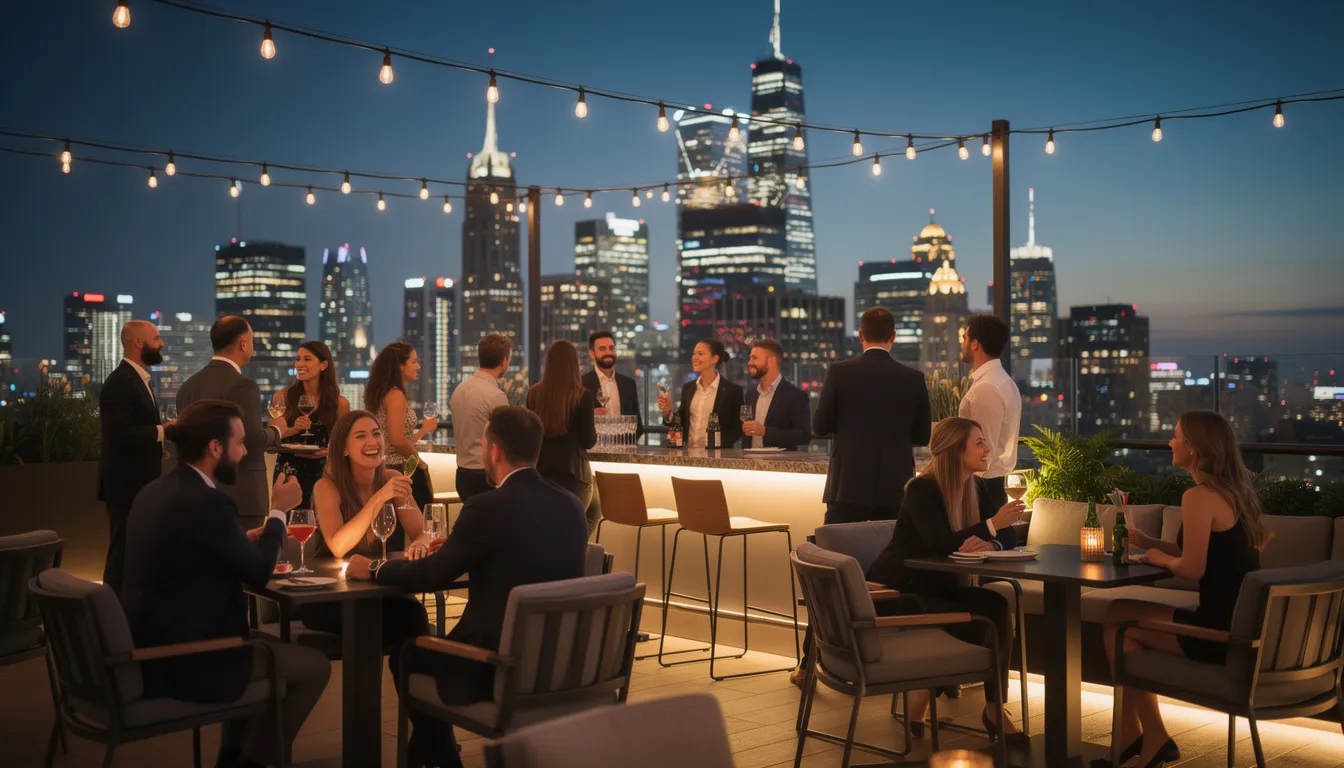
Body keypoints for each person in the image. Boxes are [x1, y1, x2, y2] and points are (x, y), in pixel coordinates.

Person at [348, 406, 587, 768]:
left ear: (493, 451)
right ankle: (434, 757)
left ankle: (440, 757)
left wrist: (377, 567)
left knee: (408, 655)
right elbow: (516, 556)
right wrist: (461, 549)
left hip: (495, 667)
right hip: (563, 664)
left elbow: (433, 577)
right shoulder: (572, 506)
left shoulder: (485, 507)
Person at [121, 400, 330, 768]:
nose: (246, 450)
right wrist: (279, 511)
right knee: (314, 667)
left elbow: (187, 554)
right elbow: (260, 572)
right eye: (239, 443)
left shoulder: (154, 492)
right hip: (190, 660)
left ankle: (231, 759)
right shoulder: (208, 501)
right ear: (214, 448)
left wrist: (238, 541)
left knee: (259, 646)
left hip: (150, 649)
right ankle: (251, 763)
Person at [1099, 411, 1268, 768]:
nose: (1170, 443)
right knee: (1122, 629)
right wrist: (1149, 542)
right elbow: (1208, 554)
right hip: (1241, 628)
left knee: (1117, 618)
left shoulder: (1199, 496)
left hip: (1219, 634)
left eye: (1176, 436)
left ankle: (1142, 736)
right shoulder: (1236, 494)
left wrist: (1160, 561)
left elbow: (1193, 568)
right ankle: (1141, 738)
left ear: (1196, 447)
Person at [865, 417, 1027, 741]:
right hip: (898, 591)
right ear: (956, 450)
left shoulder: (973, 487)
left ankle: (994, 708)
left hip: (938, 588)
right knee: (978, 625)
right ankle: (923, 689)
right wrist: (992, 526)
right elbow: (940, 542)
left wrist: (992, 540)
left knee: (996, 605)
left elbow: (1010, 533)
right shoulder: (921, 489)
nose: (987, 449)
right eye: (979, 442)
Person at [306, 411, 433, 693]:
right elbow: (338, 546)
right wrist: (380, 497)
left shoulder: (392, 478)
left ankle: (425, 722)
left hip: (377, 589)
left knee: (414, 615)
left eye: (376, 433)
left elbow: (420, 532)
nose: (372, 441)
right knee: (398, 620)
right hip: (330, 597)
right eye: (360, 436)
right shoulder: (327, 486)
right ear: (344, 448)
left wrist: (422, 543)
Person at [813, 307, 931, 523]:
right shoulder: (913, 378)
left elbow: (820, 427)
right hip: (895, 487)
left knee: (837, 552)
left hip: (846, 486)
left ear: (860, 335)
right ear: (893, 336)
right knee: (890, 553)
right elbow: (923, 436)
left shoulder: (840, 372)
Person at [176, 316, 288, 530]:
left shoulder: (188, 387)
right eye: (252, 341)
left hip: (196, 495)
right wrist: (277, 429)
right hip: (241, 497)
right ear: (243, 344)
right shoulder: (244, 386)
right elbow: (252, 443)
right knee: (242, 561)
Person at [97, 320, 169, 596]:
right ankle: (109, 616)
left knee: (134, 550)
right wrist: (163, 431)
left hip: (138, 484)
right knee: (122, 552)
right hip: (126, 486)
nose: (161, 343)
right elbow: (118, 433)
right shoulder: (120, 382)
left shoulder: (136, 379)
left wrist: (155, 445)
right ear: (139, 343)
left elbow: (130, 432)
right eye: (156, 338)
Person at [270, 340, 350, 509]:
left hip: (323, 472)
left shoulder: (339, 404)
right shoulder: (282, 397)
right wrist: (293, 429)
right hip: (289, 472)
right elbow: (272, 436)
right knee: (287, 528)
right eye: (298, 359)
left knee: (320, 525)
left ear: (323, 365)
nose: (300, 364)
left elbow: (345, 444)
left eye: (307, 359)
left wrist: (327, 452)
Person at [527, 340, 598, 527]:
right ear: (575, 365)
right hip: (574, 476)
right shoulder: (583, 396)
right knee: (593, 513)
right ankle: (578, 550)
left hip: (541, 475)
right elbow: (588, 440)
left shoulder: (534, 393)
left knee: (549, 525)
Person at [957, 315, 1021, 508]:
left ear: (975, 344)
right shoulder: (1002, 381)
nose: (962, 342)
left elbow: (982, 452)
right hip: (989, 485)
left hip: (981, 489)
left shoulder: (987, 387)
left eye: (965, 338)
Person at [366, 342, 438, 510]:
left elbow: (395, 439)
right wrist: (419, 462)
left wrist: (422, 431)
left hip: (385, 467)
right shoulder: (396, 394)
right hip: (401, 469)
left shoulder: (382, 393)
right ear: (400, 366)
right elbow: (397, 440)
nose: (418, 366)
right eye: (414, 361)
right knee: (423, 520)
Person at [448, 334, 511, 501]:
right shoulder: (496, 396)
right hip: (486, 477)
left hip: (462, 475)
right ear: (504, 361)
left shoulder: (459, 390)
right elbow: (505, 439)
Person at [658, 339, 743, 449]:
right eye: (694, 354)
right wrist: (668, 413)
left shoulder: (732, 391)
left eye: (700, 354)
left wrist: (716, 447)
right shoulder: (689, 388)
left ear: (714, 359)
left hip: (717, 457)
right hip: (689, 455)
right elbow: (681, 424)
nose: (694, 357)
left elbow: (737, 429)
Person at [740, 339, 812, 451]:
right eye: (750, 358)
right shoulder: (751, 394)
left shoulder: (795, 395)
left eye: (755, 358)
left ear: (771, 361)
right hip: (750, 464)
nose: (749, 362)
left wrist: (765, 431)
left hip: (779, 465)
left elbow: (804, 436)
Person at [582, 330, 642, 435]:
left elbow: (637, 425)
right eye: (602, 349)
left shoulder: (629, 384)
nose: (608, 352)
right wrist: (589, 416)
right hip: (593, 448)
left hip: (624, 448)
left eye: (611, 348)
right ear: (592, 354)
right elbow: (572, 421)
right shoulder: (581, 384)